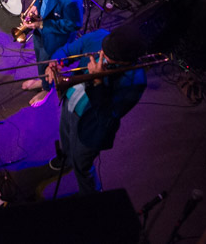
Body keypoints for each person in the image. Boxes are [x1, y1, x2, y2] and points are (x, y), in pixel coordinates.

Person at [45, 26, 148, 193]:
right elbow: (67, 50)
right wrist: (54, 63)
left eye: (109, 58)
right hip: (70, 101)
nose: (102, 58)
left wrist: (98, 82)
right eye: (103, 51)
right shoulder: (99, 37)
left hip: (92, 125)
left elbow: (107, 117)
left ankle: (92, 195)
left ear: (126, 61)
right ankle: (65, 158)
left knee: (82, 166)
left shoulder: (135, 81)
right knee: (65, 136)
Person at [19, 0, 82, 108]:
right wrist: (36, 8)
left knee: (49, 62)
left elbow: (75, 24)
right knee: (40, 57)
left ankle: (47, 89)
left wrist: (42, 24)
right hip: (42, 28)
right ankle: (43, 80)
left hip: (56, 36)